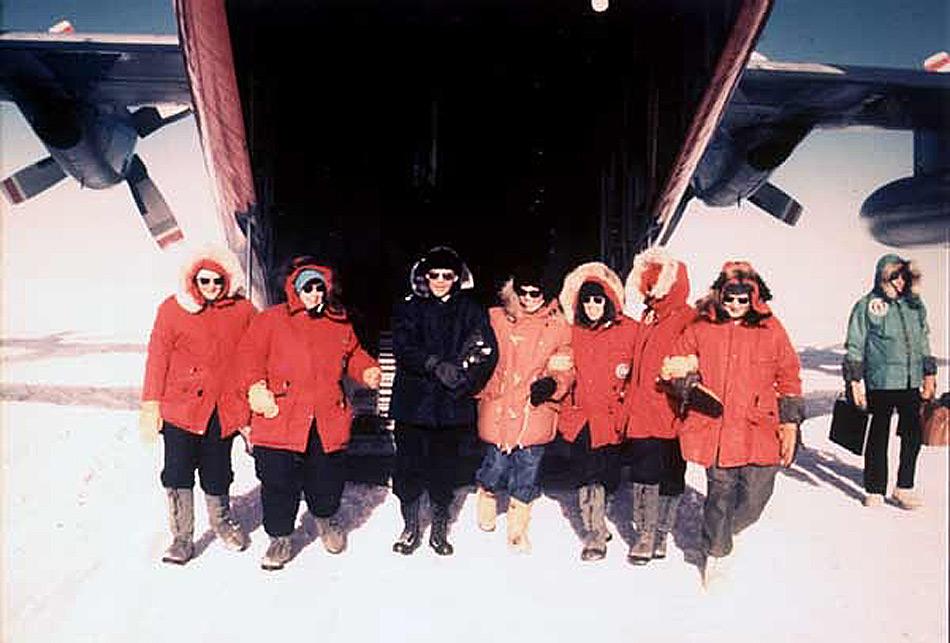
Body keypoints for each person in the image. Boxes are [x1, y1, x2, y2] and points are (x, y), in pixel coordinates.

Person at [661, 261, 803, 589]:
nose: (735, 305)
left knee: (755, 497)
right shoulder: (701, 327)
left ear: (753, 298)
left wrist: (790, 423)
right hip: (717, 428)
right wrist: (689, 387)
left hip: (758, 427)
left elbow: (789, 375)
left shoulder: (772, 329)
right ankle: (717, 554)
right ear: (720, 295)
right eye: (729, 298)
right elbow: (674, 365)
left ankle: (722, 530)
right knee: (720, 494)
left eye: (742, 300)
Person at [236, 257, 381, 570]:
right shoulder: (270, 320)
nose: (314, 294)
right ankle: (280, 538)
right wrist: (256, 388)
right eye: (307, 288)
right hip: (280, 415)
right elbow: (248, 358)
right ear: (295, 290)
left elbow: (353, 354)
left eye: (319, 288)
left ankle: (326, 519)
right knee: (278, 481)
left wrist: (366, 369)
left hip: (326, 415)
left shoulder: (338, 322)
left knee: (327, 478)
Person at [140, 245, 256, 565]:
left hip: (222, 409)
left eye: (217, 281)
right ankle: (181, 537)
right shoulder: (172, 309)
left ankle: (222, 522)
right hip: (180, 409)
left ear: (226, 280)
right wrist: (151, 402)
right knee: (177, 472)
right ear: (193, 279)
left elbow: (258, 352)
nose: (211, 288)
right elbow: (157, 358)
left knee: (218, 470)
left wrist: (255, 398)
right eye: (204, 281)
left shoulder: (243, 311)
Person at [389, 246, 498, 556]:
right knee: (408, 466)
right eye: (433, 275)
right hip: (413, 403)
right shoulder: (409, 307)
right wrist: (433, 363)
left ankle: (439, 526)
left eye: (447, 275)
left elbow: (487, 349)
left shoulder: (471, 309)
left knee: (444, 467)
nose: (439, 280)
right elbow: (403, 346)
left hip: (450, 404)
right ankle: (410, 526)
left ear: (457, 278)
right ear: (424, 276)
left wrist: (467, 380)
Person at [476, 264, 574, 553]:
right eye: (523, 293)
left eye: (536, 293)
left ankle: (518, 526)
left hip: (534, 408)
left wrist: (553, 384)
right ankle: (488, 493)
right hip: (500, 404)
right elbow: (479, 350)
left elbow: (567, 365)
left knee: (527, 469)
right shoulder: (497, 318)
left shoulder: (558, 326)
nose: (529, 299)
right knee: (495, 462)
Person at [843, 253, 938, 509]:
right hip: (881, 382)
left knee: (912, 436)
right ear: (883, 277)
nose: (899, 282)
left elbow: (923, 341)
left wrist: (929, 375)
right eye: (894, 277)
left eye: (903, 276)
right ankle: (874, 488)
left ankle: (904, 487)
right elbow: (855, 344)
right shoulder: (867, 305)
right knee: (878, 435)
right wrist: (854, 382)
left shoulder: (914, 305)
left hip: (910, 382)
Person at [557, 262, 635, 561]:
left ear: (609, 301)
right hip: (582, 417)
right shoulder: (571, 332)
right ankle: (593, 533)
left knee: (607, 475)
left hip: (613, 418)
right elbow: (557, 363)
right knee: (587, 475)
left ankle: (600, 520)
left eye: (597, 300)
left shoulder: (629, 330)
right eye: (586, 300)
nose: (591, 306)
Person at [622, 248, 694, 565]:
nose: (650, 293)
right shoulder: (648, 317)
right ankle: (645, 534)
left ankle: (661, 532)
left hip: (674, 410)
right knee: (644, 473)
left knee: (672, 475)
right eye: (646, 286)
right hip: (643, 410)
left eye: (655, 286)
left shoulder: (688, 318)